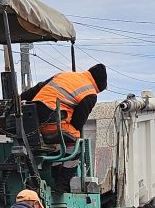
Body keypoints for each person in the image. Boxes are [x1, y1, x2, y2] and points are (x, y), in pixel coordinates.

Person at [20, 64, 108, 192]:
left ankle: (56, 175)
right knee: (75, 142)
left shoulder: (64, 75)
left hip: (33, 121)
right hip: (53, 121)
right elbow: (78, 121)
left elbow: (39, 87)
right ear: (100, 84)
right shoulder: (90, 92)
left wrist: (19, 98)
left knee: (57, 144)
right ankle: (63, 183)